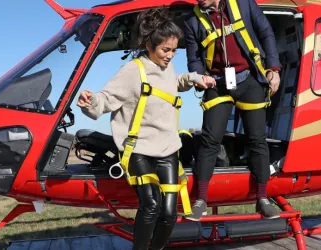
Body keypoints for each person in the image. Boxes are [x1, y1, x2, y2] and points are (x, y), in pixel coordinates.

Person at [77, 8, 213, 250]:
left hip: (168, 148)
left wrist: (193, 78)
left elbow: (173, 82)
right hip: (139, 149)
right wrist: (92, 101)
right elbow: (107, 98)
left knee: (170, 212)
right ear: (149, 44)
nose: (171, 55)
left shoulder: (166, 67)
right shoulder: (133, 71)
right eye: (165, 50)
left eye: (173, 50)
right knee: (151, 205)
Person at [183, 0, 282, 221]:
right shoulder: (191, 21)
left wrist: (273, 69)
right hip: (216, 85)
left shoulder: (244, 4)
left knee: (257, 139)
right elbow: (193, 58)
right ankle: (201, 201)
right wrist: (200, 76)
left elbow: (266, 32)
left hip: (250, 80)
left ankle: (263, 199)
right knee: (209, 140)